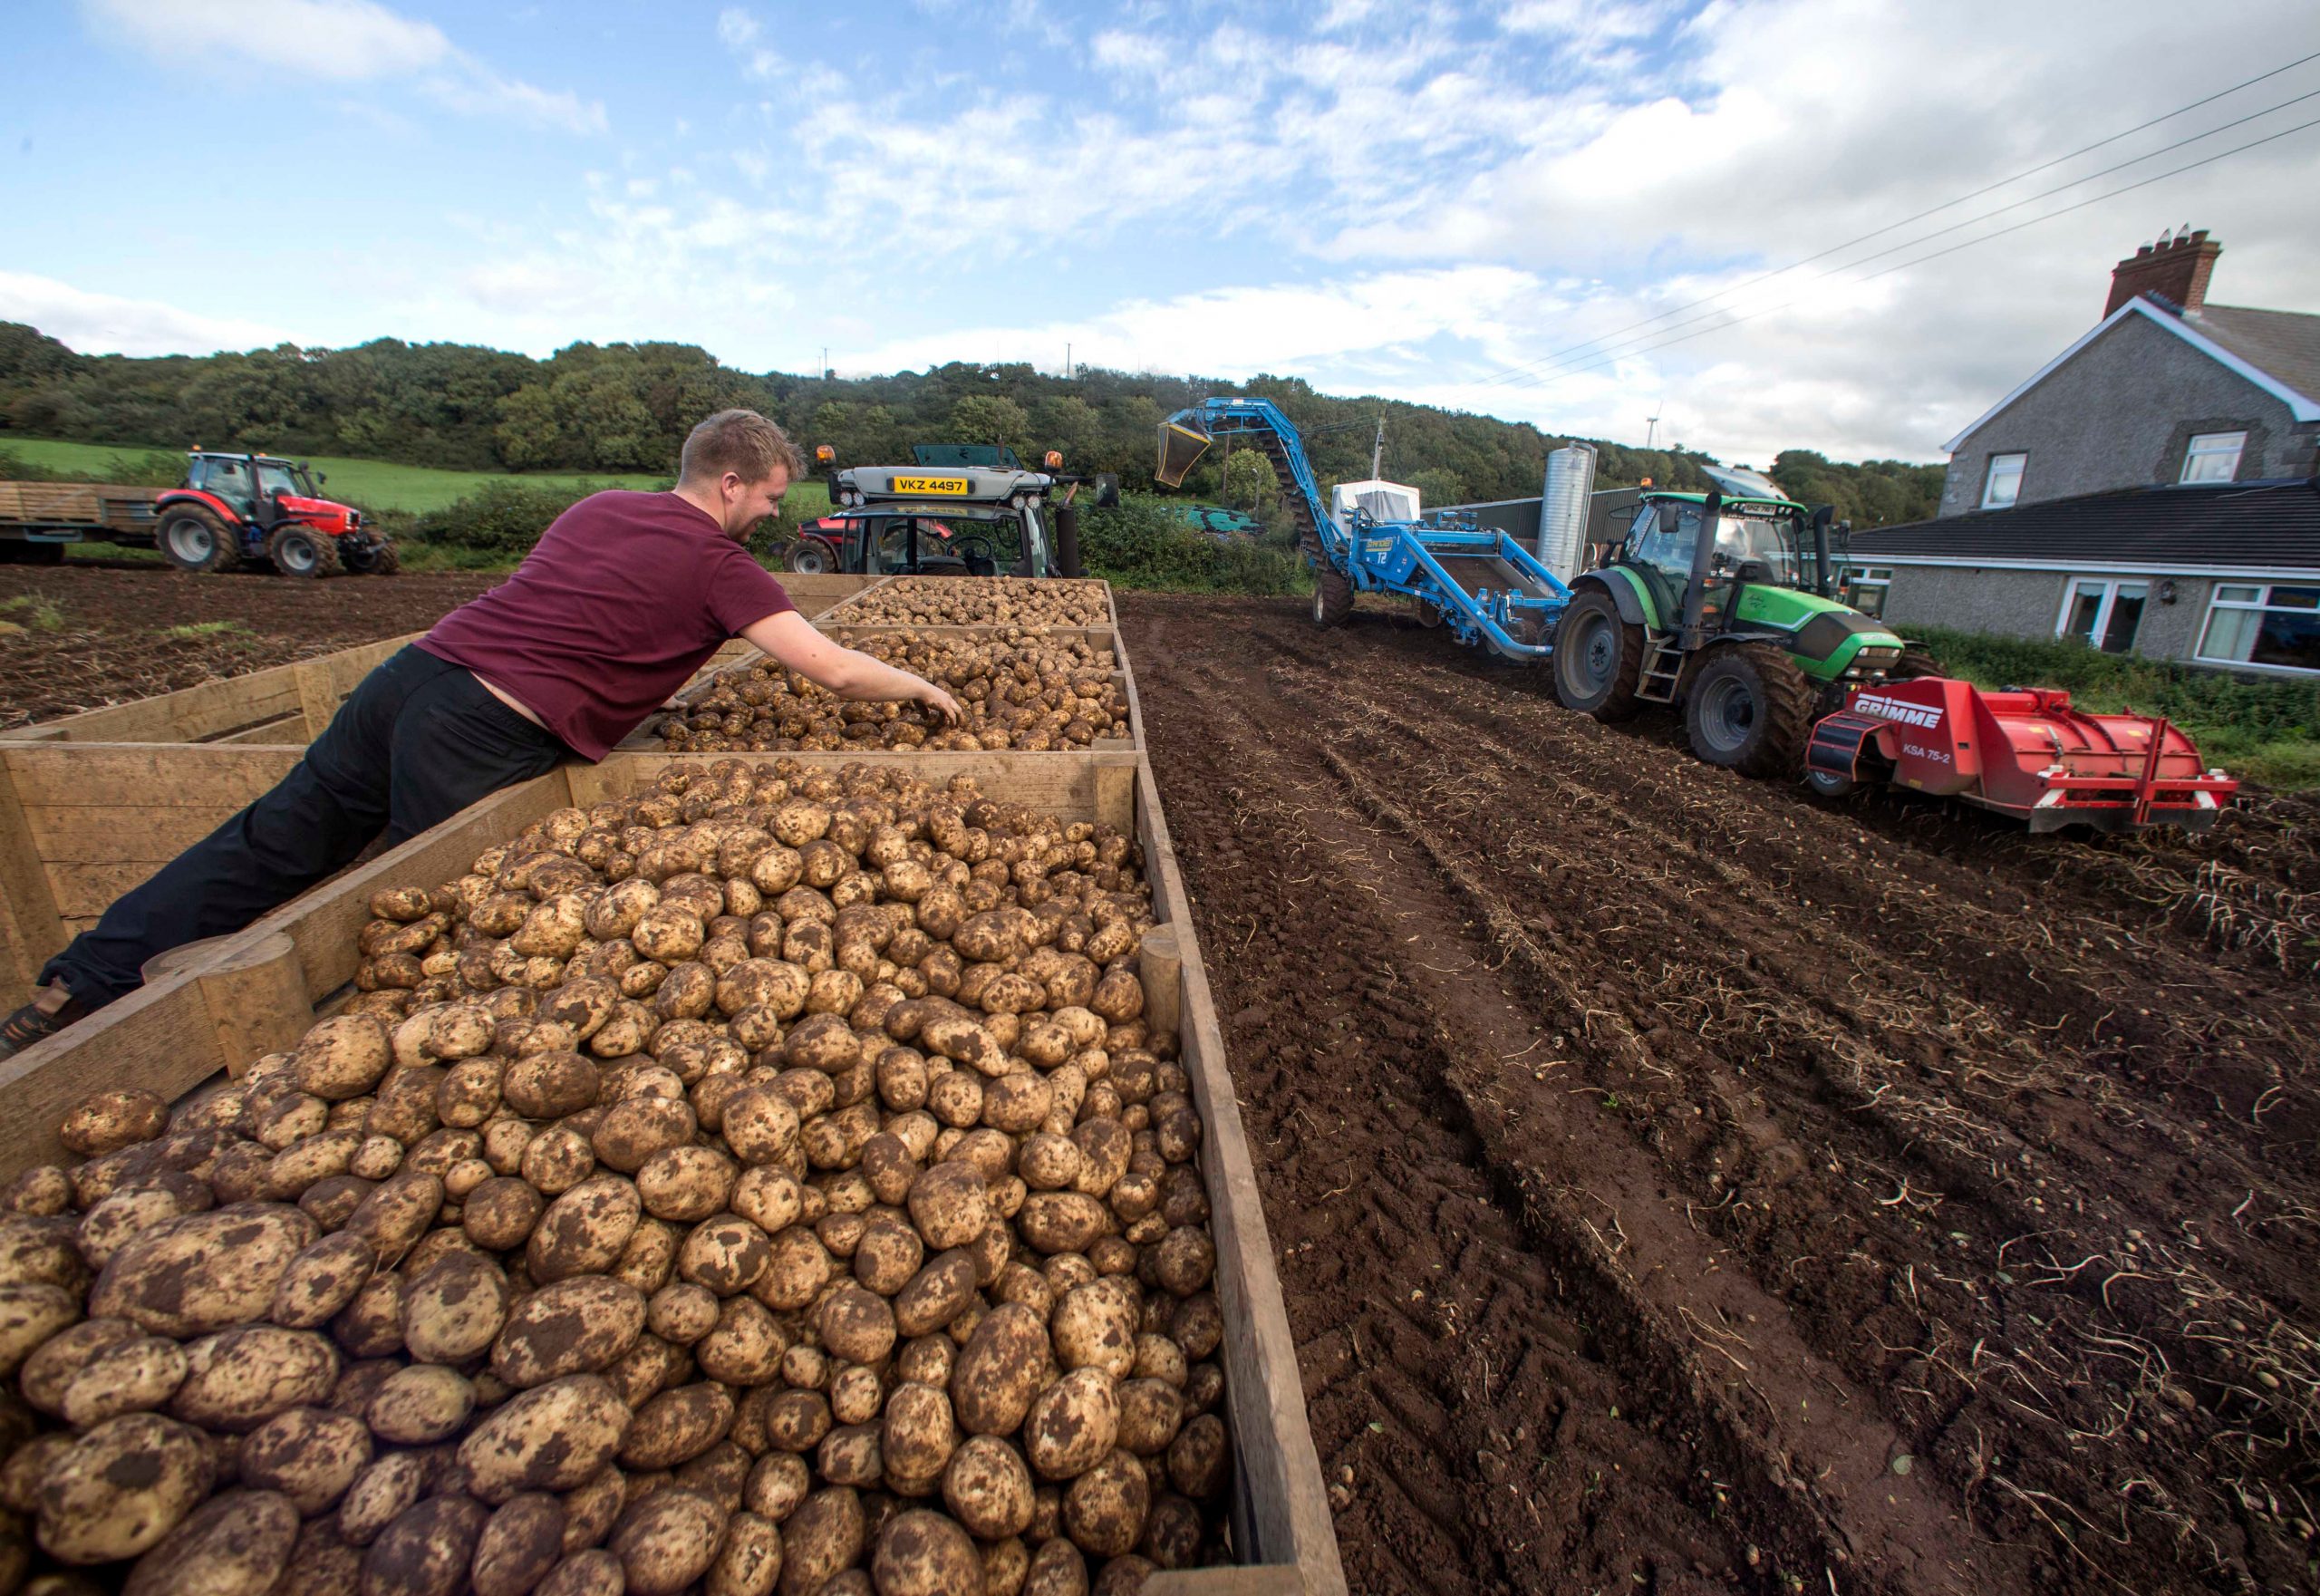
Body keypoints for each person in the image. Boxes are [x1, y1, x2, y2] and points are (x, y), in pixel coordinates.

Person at [0, 409, 962, 1059]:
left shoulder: (596, 508)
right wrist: (915, 683)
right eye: (764, 497)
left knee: (270, 839)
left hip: (408, 680)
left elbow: (584, 613)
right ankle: (415, 1066)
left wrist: (631, 695)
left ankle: (71, 988)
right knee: (455, 919)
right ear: (726, 482)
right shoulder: (722, 564)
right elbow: (830, 668)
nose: (766, 515)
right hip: (483, 725)